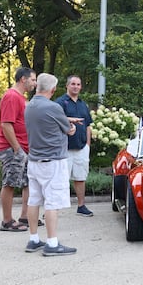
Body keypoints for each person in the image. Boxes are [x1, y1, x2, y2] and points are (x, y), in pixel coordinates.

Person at [24, 73, 78, 256]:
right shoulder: (54, 107)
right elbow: (68, 130)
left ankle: (33, 239)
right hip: (53, 161)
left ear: (38, 86)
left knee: (33, 200)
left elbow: (45, 122)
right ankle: (52, 243)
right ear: (53, 89)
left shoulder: (29, 106)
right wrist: (72, 126)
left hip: (34, 160)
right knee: (52, 202)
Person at [0, 67, 37, 232]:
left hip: (23, 149)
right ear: (23, 79)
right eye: (33, 80)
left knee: (28, 182)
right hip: (12, 149)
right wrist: (17, 149)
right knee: (10, 182)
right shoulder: (11, 96)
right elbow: (6, 124)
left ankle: (25, 217)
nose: (35, 83)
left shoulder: (21, 97)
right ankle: (7, 221)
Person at [55, 75, 94, 217]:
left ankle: (81, 206)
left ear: (81, 87)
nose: (76, 86)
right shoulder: (60, 103)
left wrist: (88, 145)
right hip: (64, 148)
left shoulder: (83, 104)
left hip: (82, 147)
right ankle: (53, 209)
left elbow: (88, 126)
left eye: (78, 84)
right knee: (60, 179)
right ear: (67, 85)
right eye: (73, 84)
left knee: (80, 177)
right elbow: (54, 120)